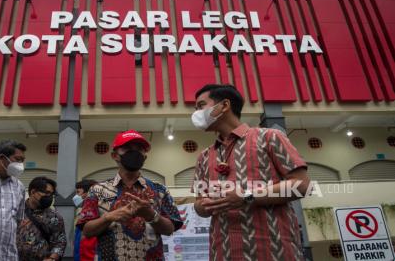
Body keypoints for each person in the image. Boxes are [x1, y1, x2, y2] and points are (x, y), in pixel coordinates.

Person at [191, 84, 311, 261]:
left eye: (201, 106)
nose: (196, 113)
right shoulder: (204, 156)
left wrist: (246, 196)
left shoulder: (270, 137)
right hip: (224, 252)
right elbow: (199, 204)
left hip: (273, 251)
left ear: (224, 105)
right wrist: (203, 206)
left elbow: (302, 185)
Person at [79, 130, 183, 260]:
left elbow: (170, 229)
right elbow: (86, 231)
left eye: (139, 149)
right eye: (127, 148)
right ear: (114, 155)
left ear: (145, 156)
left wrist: (151, 215)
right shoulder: (97, 190)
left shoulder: (159, 189)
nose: (134, 153)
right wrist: (108, 217)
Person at [16, 176, 67, 261]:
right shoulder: (16, 211)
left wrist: (52, 258)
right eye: (47, 193)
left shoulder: (54, 216)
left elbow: (60, 242)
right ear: (33, 192)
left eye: (51, 194)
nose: (49, 197)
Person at [73, 179, 97, 261]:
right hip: (80, 253)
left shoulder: (96, 212)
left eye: (78, 192)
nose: (76, 196)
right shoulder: (82, 210)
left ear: (88, 192)